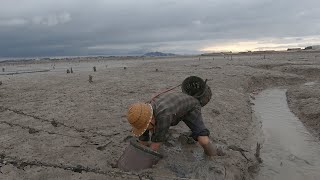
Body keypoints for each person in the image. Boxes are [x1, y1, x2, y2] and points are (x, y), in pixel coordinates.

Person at [126, 86, 220, 156]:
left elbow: (154, 148)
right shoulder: (143, 111)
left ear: (151, 119)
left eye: (146, 127)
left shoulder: (164, 116)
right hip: (175, 104)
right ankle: (158, 131)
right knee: (154, 129)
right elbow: (143, 140)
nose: (144, 128)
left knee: (202, 139)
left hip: (191, 106)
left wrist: (145, 156)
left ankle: (212, 155)